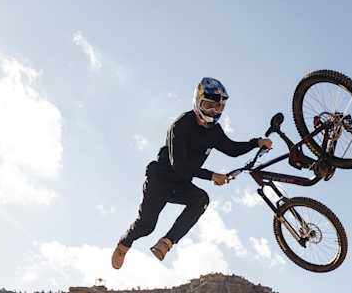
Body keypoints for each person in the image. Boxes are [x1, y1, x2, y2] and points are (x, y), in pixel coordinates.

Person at [111, 77, 272, 268]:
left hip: (181, 184)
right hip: (160, 180)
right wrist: (212, 175)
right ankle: (124, 244)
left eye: (218, 108)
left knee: (201, 200)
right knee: (146, 226)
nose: (213, 111)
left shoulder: (214, 131)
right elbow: (180, 165)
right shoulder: (180, 126)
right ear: (197, 101)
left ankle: (167, 242)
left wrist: (256, 143)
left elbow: (231, 149)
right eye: (209, 105)